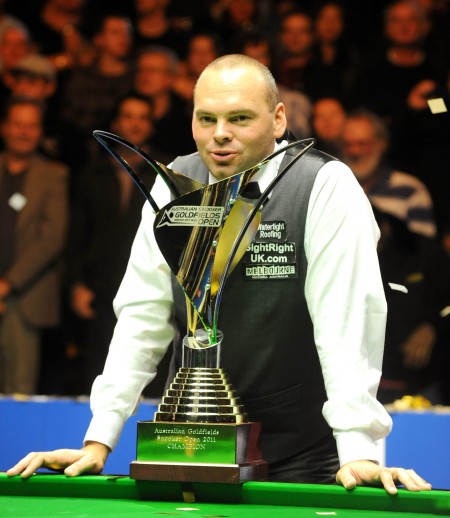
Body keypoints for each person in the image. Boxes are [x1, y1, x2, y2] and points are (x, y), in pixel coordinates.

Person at [7, 54, 431, 494]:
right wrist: (99, 439)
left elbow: (345, 322)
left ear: (278, 119)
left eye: (240, 118)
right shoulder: (174, 181)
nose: (220, 133)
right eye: (206, 118)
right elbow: (142, 315)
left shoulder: (324, 185)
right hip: (192, 447)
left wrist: (358, 450)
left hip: (303, 455)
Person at [67, 92, 169, 393]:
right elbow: (77, 236)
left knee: (150, 375)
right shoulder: (92, 174)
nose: (135, 124)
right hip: (101, 290)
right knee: (101, 374)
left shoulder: (165, 174)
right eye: (128, 116)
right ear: (115, 123)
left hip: (152, 288)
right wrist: (77, 284)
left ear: (152, 125)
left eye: (142, 117)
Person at [0, 96, 69, 395]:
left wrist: (6, 285)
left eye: (31, 126)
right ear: (5, 127)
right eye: (18, 124)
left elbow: (51, 239)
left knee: (18, 391)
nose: (24, 132)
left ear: (40, 132)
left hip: (23, 297)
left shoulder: (54, 175)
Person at [340, 109, 437, 239]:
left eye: (362, 144)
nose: (355, 151)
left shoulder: (410, 190)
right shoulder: (333, 190)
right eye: (347, 144)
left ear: (381, 144)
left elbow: (425, 248)